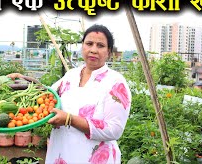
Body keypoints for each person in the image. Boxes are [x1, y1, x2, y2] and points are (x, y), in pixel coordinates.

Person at [8, 24, 131, 163]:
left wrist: (69, 119)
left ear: (109, 52)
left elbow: (114, 130)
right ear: (82, 46)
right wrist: (23, 79)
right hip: (62, 153)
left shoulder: (115, 83)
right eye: (89, 43)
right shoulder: (72, 75)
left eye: (100, 45)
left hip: (93, 158)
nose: (93, 50)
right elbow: (47, 93)